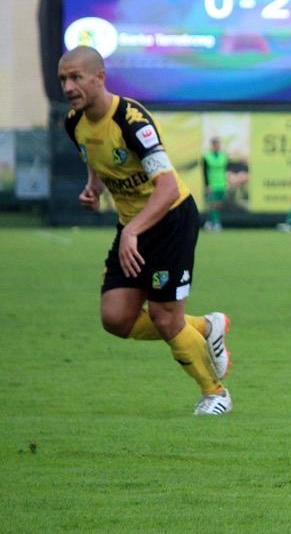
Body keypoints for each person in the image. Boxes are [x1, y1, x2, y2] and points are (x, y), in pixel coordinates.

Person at [60, 45, 232, 416]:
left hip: (170, 220)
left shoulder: (132, 121)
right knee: (116, 318)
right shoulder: (74, 123)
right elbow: (96, 158)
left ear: (99, 77)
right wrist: (94, 188)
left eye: (76, 77)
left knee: (165, 316)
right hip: (133, 228)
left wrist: (132, 231)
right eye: (63, 79)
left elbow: (167, 187)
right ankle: (206, 327)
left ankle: (215, 393)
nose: (68, 87)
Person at [202, 137, 227, 231]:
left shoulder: (223, 156)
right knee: (213, 204)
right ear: (212, 145)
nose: (217, 146)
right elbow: (204, 172)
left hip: (222, 184)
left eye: (218, 144)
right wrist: (207, 185)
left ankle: (209, 222)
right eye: (216, 144)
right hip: (212, 185)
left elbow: (225, 170)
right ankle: (216, 223)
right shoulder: (206, 157)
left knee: (219, 205)